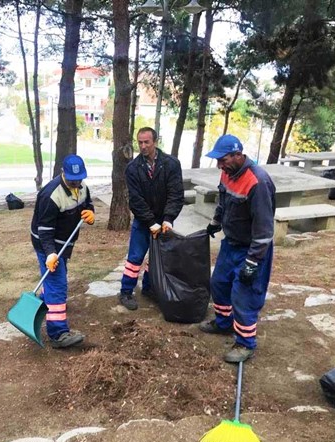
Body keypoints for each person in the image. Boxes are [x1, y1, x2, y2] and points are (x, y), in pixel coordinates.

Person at [200, 134, 276, 363]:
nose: (219, 165)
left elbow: (264, 229)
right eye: (218, 160)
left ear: (238, 154)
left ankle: (245, 343)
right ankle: (223, 323)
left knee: (244, 295)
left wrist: (253, 262)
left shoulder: (257, 182)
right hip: (231, 243)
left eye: (223, 159)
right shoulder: (227, 173)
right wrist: (216, 222)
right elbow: (223, 202)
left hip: (251, 249)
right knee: (219, 283)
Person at [30, 154, 95, 349]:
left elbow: (87, 203)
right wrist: (50, 253)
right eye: (72, 179)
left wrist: (90, 212)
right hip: (47, 243)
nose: (76, 183)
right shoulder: (51, 194)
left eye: (79, 179)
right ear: (62, 173)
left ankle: (44, 301)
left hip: (65, 243)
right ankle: (58, 334)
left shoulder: (82, 188)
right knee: (58, 285)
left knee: (53, 280)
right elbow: (45, 229)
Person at [118, 127, 184, 311]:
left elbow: (176, 193)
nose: (143, 146)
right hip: (143, 221)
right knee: (135, 257)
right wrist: (149, 222)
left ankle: (149, 288)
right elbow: (135, 199)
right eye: (140, 142)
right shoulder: (133, 168)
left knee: (158, 258)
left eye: (147, 142)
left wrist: (168, 219)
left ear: (155, 141)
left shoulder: (171, 164)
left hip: (164, 221)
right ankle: (126, 291)